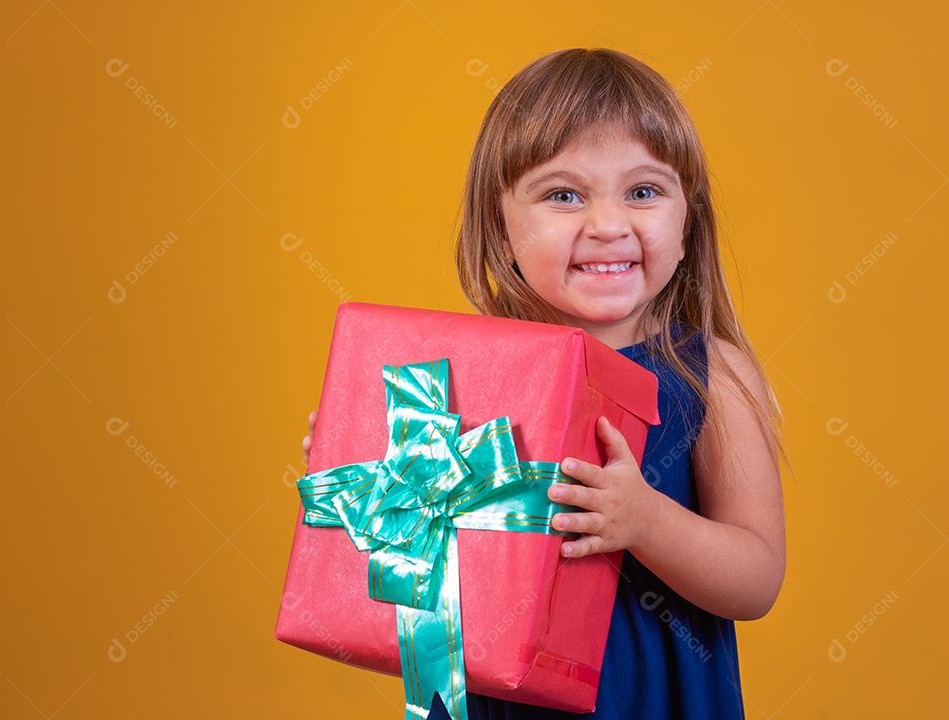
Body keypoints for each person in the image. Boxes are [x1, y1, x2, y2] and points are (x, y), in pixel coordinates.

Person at [301, 47, 787, 720]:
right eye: (564, 195)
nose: (609, 224)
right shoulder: (468, 374)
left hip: (649, 699)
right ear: (500, 228)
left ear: (686, 223)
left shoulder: (707, 372)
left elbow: (757, 578)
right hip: (494, 697)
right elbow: (427, 545)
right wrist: (366, 477)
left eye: (643, 191)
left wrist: (646, 522)